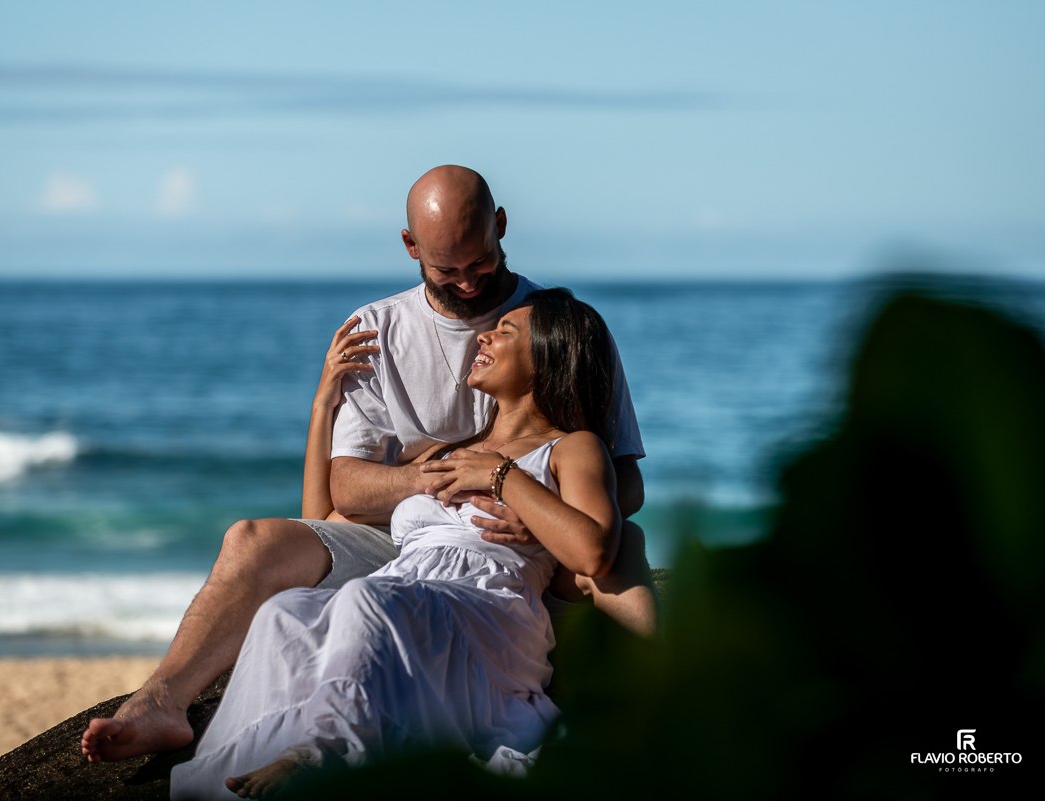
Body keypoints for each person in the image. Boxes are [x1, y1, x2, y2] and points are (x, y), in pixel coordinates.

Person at [81, 165, 654, 764]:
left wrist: (524, 505)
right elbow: (343, 490)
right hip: (407, 540)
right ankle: (162, 701)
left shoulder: (557, 329)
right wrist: (432, 477)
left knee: (622, 543)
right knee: (252, 540)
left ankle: (655, 696)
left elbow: (623, 481)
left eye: (478, 263)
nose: (465, 283)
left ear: (501, 226)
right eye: (444, 269)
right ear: (410, 247)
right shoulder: (376, 331)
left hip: (515, 554)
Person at [171, 289, 621, 800]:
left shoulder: (571, 447)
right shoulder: (451, 452)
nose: (484, 334)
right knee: (287, 613)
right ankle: (229, 781)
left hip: (487, 610)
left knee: (367, 599)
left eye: (506, 331)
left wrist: (501, 477)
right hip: (405, 595)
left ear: (547, 356)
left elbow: (594, 551)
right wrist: (324, 403)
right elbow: (322, 519)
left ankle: (327, 754)